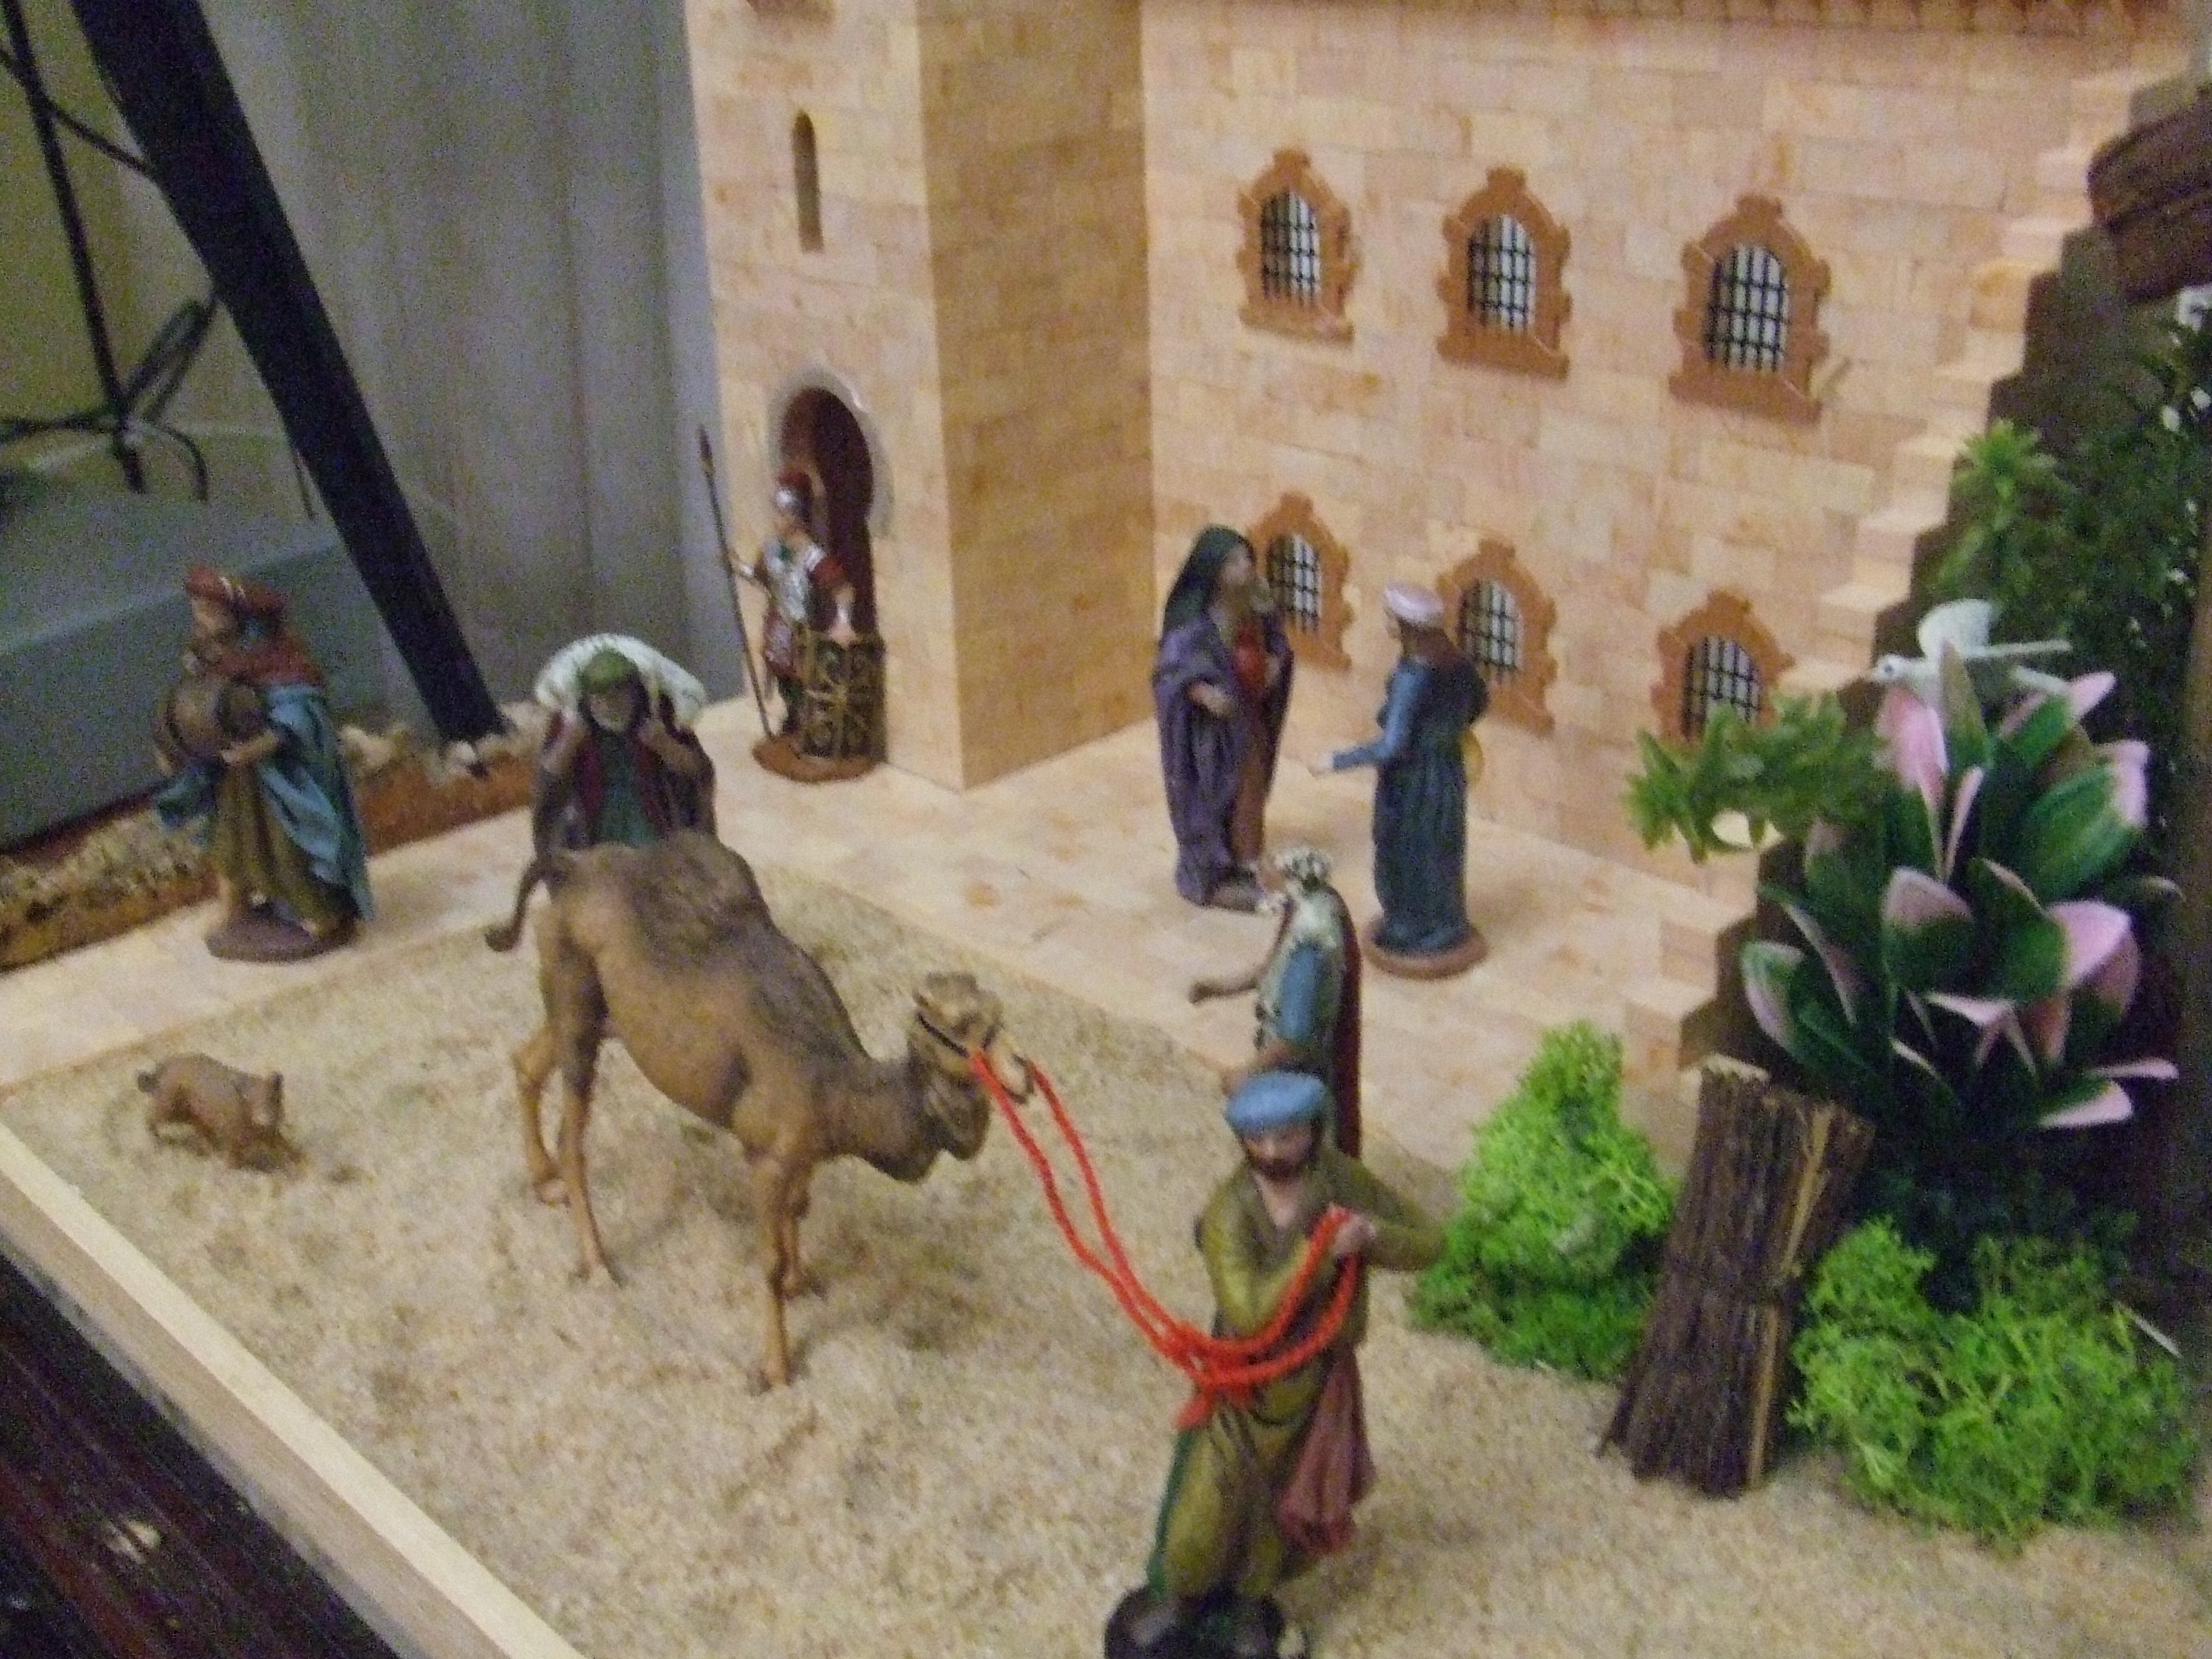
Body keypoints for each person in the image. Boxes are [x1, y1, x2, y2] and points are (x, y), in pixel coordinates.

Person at [1108, 1071, 1442, 1659]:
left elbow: (1429, 1242)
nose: (1271, 1152)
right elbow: (1249, 1310)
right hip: (1244, 1386)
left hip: (1315, 1382)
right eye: (1257, 1140)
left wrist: (1371, 1235)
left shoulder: (1340, 1180)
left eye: (1286, 1137)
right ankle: (1180, 1598)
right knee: (1205, 1506)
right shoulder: (1229, 1213)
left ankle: (1249, 1608)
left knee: (1280, 1508)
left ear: (1311, 1130)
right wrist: (1320, 1254)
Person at [155, 565, 373, 961]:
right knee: (229, 845)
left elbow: (302, 709)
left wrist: (264, 743)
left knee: (288, 848)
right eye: (197, 609)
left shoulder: (279, 659)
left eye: (209, 610)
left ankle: (320, 913)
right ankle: (234, 909)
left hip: (281, 781)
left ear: (236, 614)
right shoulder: (211, 656)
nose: (200, 619)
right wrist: (180, 745)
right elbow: (199, 703)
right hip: (234, 780)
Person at [1318, 583, 1487, 970]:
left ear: (1407, 625)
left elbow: (1393, 745)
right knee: (1442, 847)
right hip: (1447, 771)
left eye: (1391, 616)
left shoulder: (1414, 675)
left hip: (1412, 781)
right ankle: (1445, 922)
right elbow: (1479, 702)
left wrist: (1337, 761)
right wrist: (1446, 731)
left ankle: (1412, 928)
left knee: (1408, 850)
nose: (1387, 622)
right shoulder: (1457, 663)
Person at [1153, 527, 1295, 912]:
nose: (1245, 566)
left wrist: (1275, 663)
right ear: (1213, 570)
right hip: (1209, 737)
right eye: (1233, 561)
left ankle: (1248, 860)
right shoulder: (1193, 625)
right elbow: (1170, 674)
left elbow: (1278, 643)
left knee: (1250, 790)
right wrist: (1203, 693)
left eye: (1247, 558)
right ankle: (1210, 873)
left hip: (1246, 720)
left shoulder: (1257, 606)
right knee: (1213, 796)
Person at [1188, 845, 1362, 1158]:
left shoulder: (1309, 946)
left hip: (1297, 1070)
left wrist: (1247, 1072)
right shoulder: (1306, 907)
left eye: (1269, 874)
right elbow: (1272, 970)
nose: (1263, 880)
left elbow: (1293, 1039)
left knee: (1289, 1140)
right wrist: (1217, 988)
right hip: (1291, 1059)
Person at [529, 637, 715, 854]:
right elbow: (546, 783)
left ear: (634, 691)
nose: (608, 706)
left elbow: (699, 771)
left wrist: (665, 745)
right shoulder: (568, 723)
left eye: (617, 694)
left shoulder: (660, 713)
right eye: (599, 698)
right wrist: (568, 743)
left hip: (653, 819)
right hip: (594, 826)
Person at [735, 468, 856, 734]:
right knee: (782, 675)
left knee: (802, 678)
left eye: (782, 513)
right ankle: (792, 719)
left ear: (795, 516)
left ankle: (806, 724)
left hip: (801, 630)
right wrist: (738, 567)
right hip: (777, 626)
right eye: (776, 512)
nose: (776, 519)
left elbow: (842, 589)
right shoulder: (771, 549)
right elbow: (760, 577)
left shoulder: (811, 555)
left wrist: (842, 621)